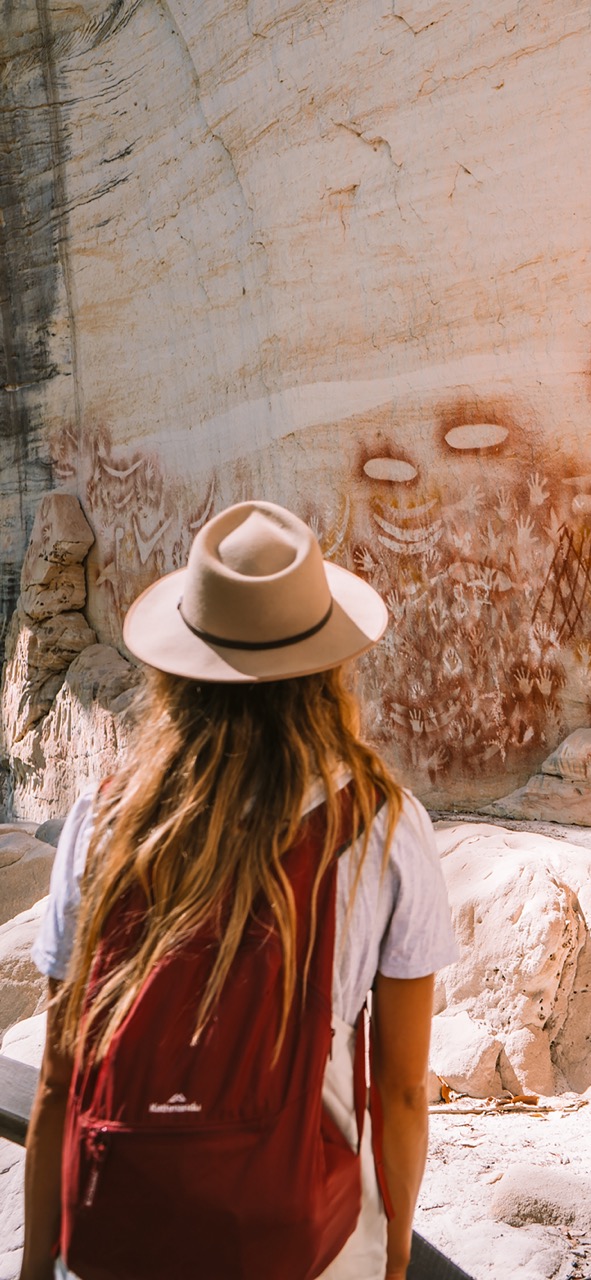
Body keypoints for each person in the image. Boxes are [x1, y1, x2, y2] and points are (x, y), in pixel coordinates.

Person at [19, 499, 458, 1280]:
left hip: (122, 1232)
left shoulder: (106, 818)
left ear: (180, 668)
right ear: (327, 668)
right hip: (298, 1237)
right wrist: (390, 1259)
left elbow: (58, 1079)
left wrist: (39, 1266)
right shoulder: (381, 824)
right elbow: (400, 1092)